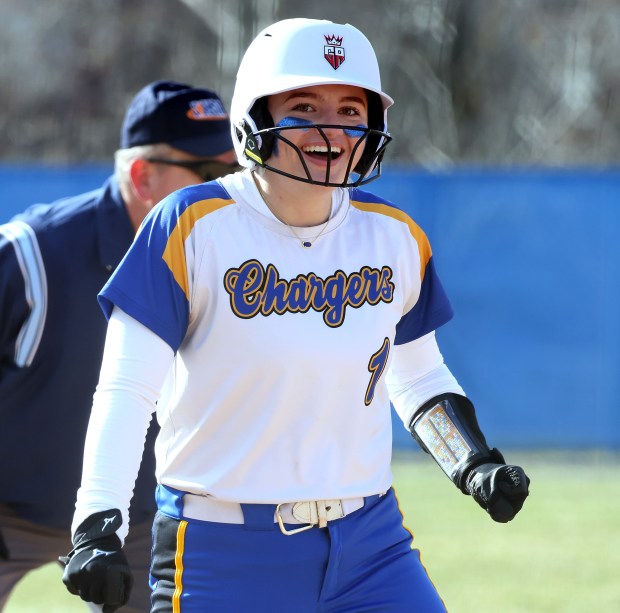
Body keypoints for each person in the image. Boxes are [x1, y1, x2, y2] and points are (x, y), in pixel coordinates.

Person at [60, 19, 530, 613]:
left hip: (372, 544)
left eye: (350, 110)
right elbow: (126, 388)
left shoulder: (394, 235)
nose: (330, 129)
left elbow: (416, 378)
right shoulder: (191, 225)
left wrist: (473, 463)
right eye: (304, 106)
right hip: (221, 548)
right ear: (254, 117)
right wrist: (98, 522)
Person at [0, 80, 239, 612]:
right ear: (142, 177)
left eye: (239, 169)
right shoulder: (33, 251)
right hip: (9, 506)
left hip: (132, 515)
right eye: (212, 173)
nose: (231, 188)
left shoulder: (234, 261)